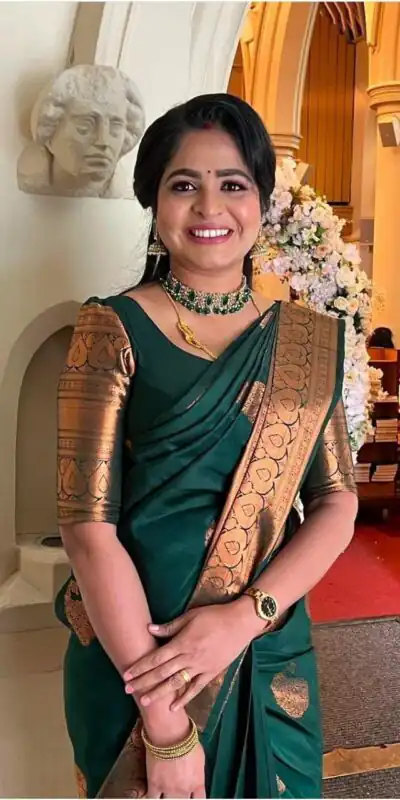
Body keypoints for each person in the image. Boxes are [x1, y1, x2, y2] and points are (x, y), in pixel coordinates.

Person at [56, 93, 358, 799]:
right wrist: (167, 725)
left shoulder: (307, 341)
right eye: (184, 184)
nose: (210, 207)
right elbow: (87, 530)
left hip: (266, 651)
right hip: (137, 664)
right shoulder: (110, 330)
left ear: (262, 201)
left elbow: (337, 503)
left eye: (233, 184)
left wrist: (243, 619)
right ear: (154, 201)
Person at [17, 64, 145, 198]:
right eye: (85, 127)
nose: (103, 141)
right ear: (50, 130)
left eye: (115, 126)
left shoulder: (122, 190)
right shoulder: (32, 178)